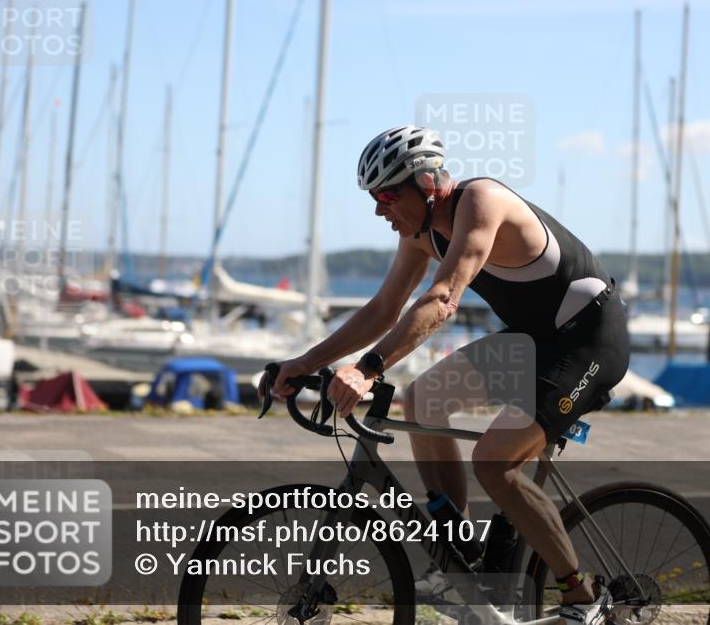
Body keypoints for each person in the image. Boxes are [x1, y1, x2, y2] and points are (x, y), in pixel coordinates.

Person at [268, 125, 629, 623]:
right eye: (375, 198)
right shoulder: (420, 236)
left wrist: (370, 368)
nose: (379, 209)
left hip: (588, 339)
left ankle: (581, 597)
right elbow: (382, 309)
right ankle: (458, 555)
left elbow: (442, 300)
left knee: (494, 460)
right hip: (534, 342)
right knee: (422, 401)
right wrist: (305, 363)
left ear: (428, 182)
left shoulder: (481, 202)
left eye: (388, 195)